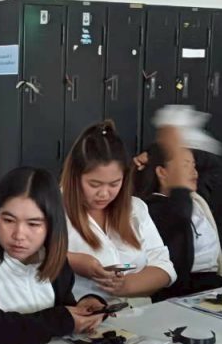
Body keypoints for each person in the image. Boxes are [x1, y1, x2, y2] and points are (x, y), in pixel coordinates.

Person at [0, 167, 107, 344]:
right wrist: (59, 321)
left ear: (52, 225)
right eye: (8, 220)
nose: (19, 235)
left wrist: (86, 308)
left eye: (33, 224)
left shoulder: (56, 261)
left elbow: (64, 309)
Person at [62, 121, 176, 304]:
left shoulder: (135, 208)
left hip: (137, 312)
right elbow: (31, 256)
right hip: (81, 313)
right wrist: (71, 261)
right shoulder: (53, 209)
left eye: (114, 184)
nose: (104, 194)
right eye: (94, 184)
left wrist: (127, 285)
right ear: (75, 177)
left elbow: (164, 267)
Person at [134, 142, 222, 301]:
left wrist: (182, 153)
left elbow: (214, 164)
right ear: (162, 172)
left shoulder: (197, 198)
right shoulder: (154, 210)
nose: (194, 172)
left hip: (212, 283)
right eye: (185, 166)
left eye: (194, 166)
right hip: (183, 291)